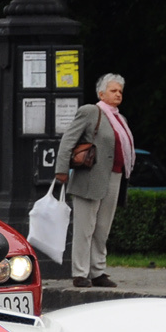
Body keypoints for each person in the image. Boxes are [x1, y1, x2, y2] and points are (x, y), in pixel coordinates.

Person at [55, 72, 135, 288]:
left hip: (115, 176)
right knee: (85, 227)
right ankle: (80, 273)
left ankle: (98, 271)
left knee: (102, 228)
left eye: (120, 91)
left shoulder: (120, 119)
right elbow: (68, 140)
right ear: (101, 93)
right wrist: (61, 169)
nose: (118, 94)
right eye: (113, 90)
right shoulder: (91, 111)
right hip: (89, 178)